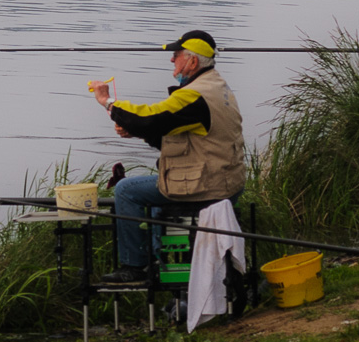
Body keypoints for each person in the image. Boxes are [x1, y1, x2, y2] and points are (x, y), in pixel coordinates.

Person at [92, 29, 245, 283]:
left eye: (176, 55)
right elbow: (175, 132)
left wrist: (108, 102)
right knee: (154, 193)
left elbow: (151, 117)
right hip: (226, 182)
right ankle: (157, 262)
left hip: (209, 187)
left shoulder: (194, 95)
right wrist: (137, 132)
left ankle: (135, 267)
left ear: (193, 61)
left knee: (126, 190)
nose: (172, 60)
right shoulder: (218, 87)